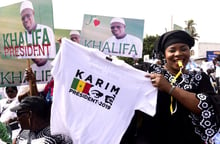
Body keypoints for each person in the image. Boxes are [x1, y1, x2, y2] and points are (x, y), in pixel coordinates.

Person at [121, 30, 218, 144]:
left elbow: (205, 106)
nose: (178, 54)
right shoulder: (148, 71)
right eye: (172, 50)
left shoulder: (200, 78)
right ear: (164, 54)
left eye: (183, 49)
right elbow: (120, 75)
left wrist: (169, 88)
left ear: (189, 52)